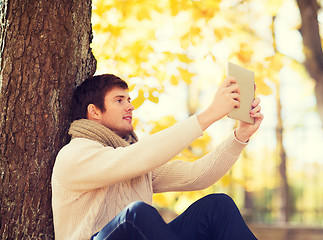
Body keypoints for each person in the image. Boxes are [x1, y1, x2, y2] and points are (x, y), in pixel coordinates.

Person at [51, 73, 263, 240]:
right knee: (135, 215)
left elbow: (197, 175)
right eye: (119, 100)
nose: (130, 106)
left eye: (129, 99)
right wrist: (209, 115)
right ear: (94, 112)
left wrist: (240, 136)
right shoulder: (75, 154)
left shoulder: (131, 159)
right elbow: (136, 158)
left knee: (218, 206)